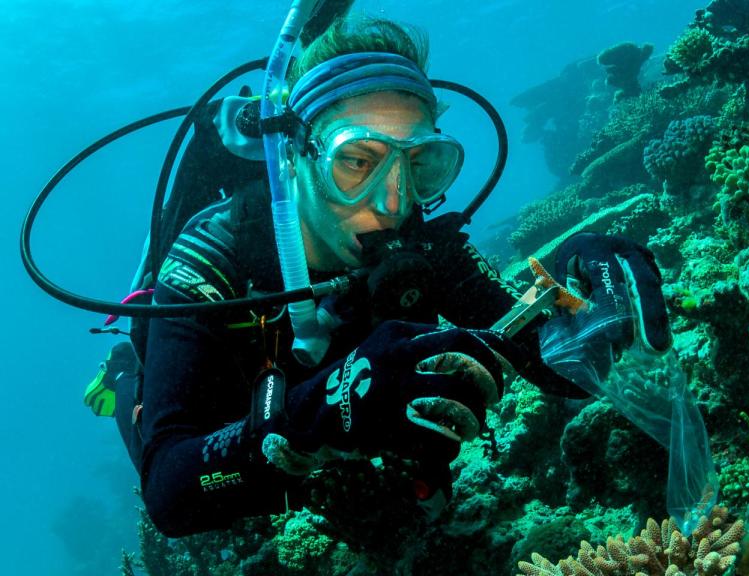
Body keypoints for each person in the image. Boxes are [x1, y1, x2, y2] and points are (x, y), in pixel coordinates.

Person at [102, 14, 670, 538]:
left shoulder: (419, 244)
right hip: (233, 407)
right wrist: (317, 408)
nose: (393, 201)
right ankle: (118, 373)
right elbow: (170, 494)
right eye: (357, 161)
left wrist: (579, 291)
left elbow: (547, 357)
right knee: (139, 384)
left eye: (419, 163)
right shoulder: (211, 259)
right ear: (295, 158)